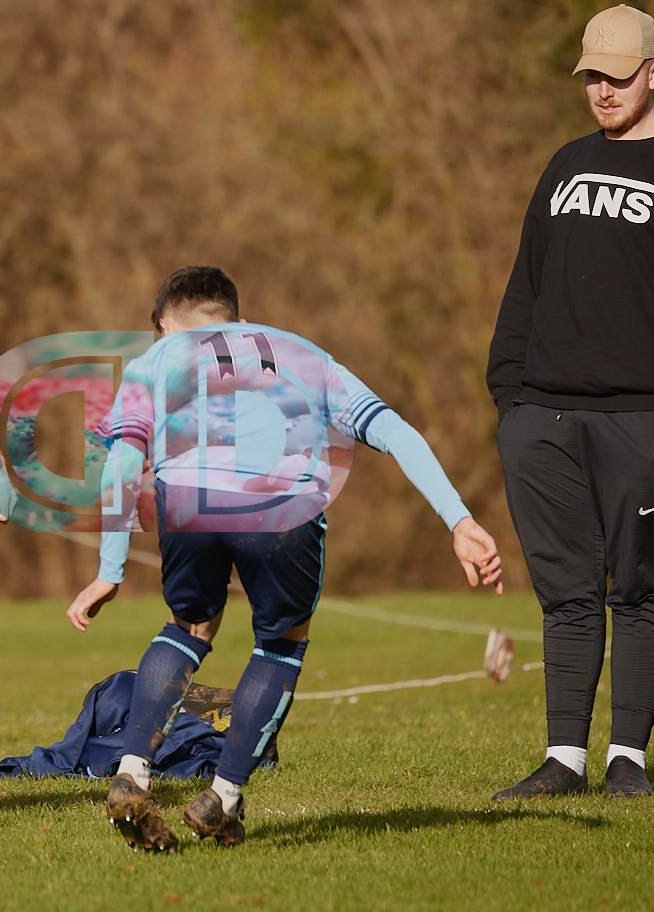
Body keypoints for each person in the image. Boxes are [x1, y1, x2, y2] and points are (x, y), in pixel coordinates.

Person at [66, 266, 503, 850]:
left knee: (189, 626)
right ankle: (223, 796)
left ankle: (131, 773)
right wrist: (459, 521)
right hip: (284, 509)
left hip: (190, 501)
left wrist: (109, 570)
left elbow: (123, 462)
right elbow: (393, 430)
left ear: (165, 326)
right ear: (240, 319)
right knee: (281, 642)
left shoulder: (155, 360)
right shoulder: (303, 353)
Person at [486, 5, 654, 799]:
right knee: (565, 594)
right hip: (543, 420)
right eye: (593, 76)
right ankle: (564, 760)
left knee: (638, 589)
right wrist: (511, 406)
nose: (603, 91)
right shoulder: (565, 164)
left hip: (641, 422)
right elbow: (525, 287)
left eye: (619, 77)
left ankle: (628, 758)